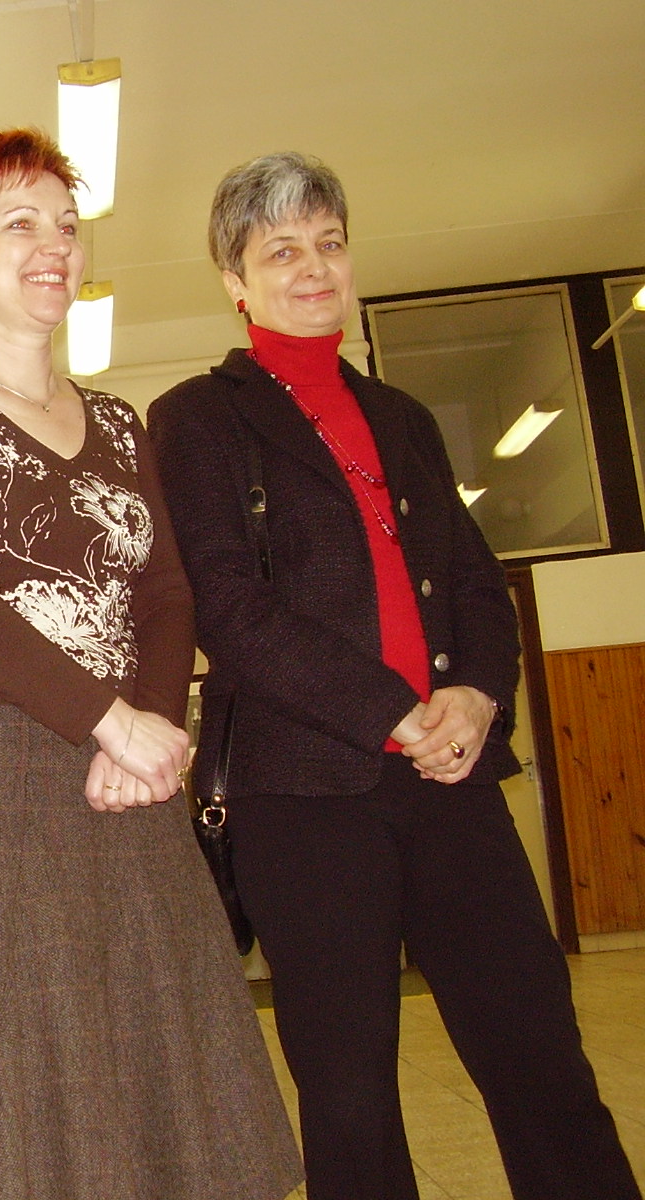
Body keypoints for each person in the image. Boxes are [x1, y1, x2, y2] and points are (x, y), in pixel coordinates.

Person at [147, 151, 640, 1200]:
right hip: (302, 796)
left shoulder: (403, 417)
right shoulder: (197, 418)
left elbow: (476, 581)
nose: (314, 267)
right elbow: (228, 608)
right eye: (282, 250)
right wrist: (393, 712)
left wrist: (476, 697)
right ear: (236, 282)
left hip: (450, 782)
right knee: (348, 1095)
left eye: (329, 243)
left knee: (541, 1056)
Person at [0, 128, 301, 1200]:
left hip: (130, 785)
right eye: (19, 224)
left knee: (160, 1075)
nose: (55, 245)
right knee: (18, 1096)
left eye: (66, 224)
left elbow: (167, 593)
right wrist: (110, 720)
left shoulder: (115, 419)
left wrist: (149, 730)